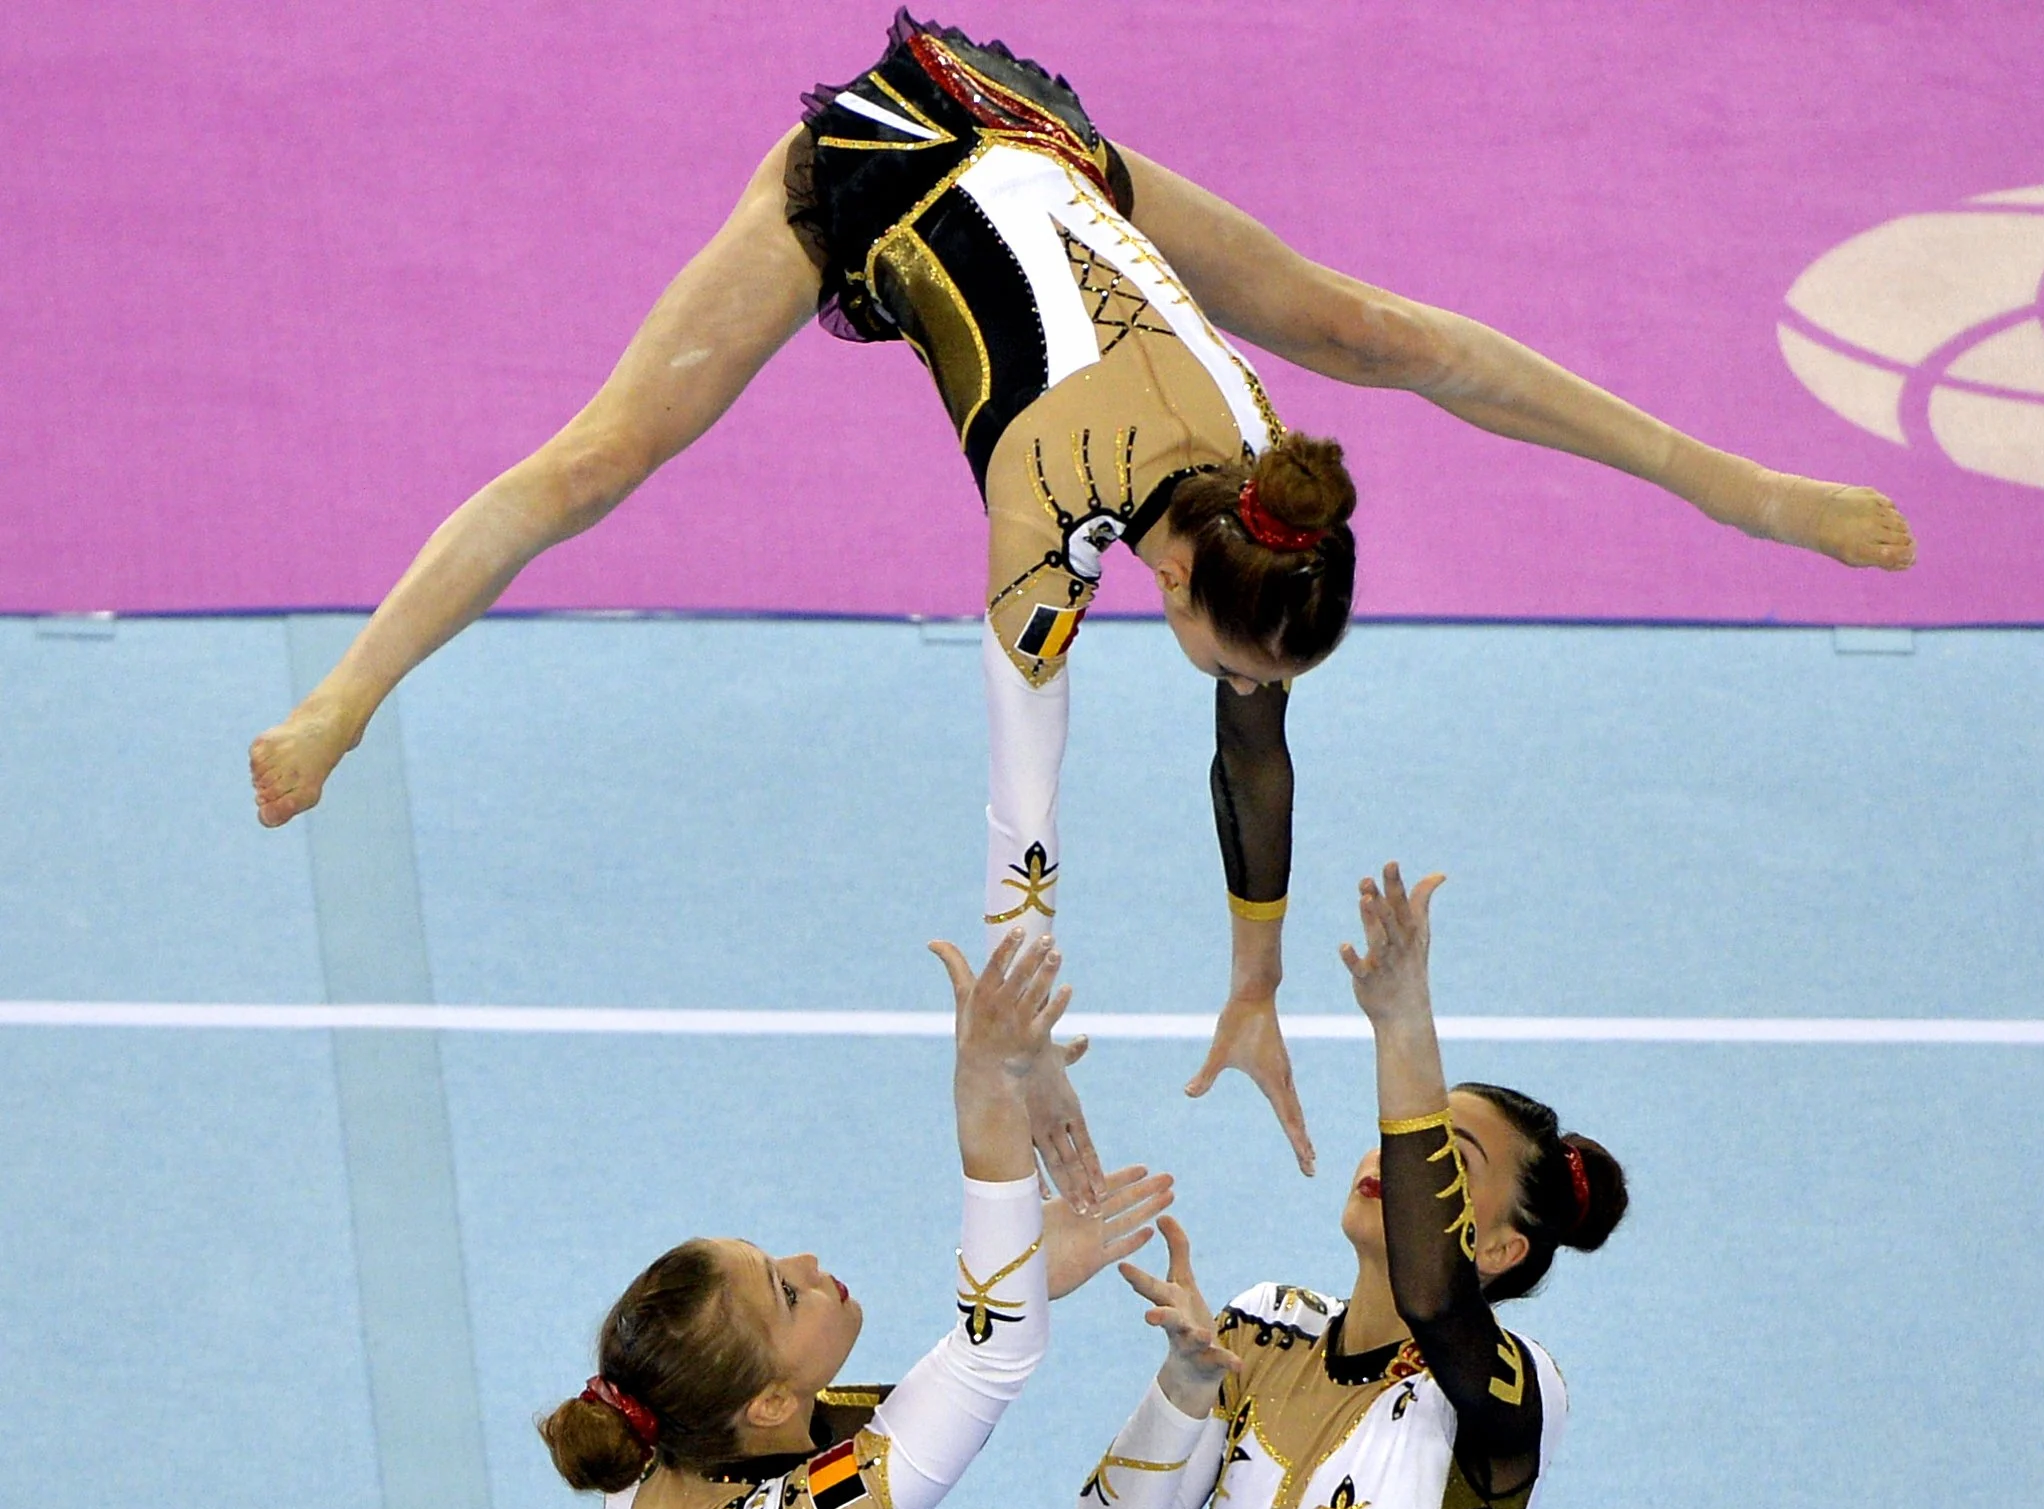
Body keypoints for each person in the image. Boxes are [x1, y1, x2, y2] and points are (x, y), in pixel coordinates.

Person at [249, 13, 1914, 1183]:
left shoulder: (1264, 484)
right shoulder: (1046, 495)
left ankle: (1731, 482)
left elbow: (1251, 739)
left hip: (1041, 144)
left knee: (1375, 332)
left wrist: (1254, 979)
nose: (1224, 675)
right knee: (599, 461)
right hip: (894, 167)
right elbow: (1017, 784)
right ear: (1177, 575)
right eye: (1218, 651)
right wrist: (1022, 1019)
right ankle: (343, 693)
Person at [541, 927, 1176, 1509]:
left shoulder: (674, 1435)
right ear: (768, 1405)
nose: (808, 1263)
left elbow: (947, 1395)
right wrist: (988, 1085)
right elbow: (988, 1359)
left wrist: (1018, 1277)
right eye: (787, 1295)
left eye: (774, 1262)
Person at [1071, 863, 1627, 1509]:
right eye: (1401, 1142)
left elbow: (1435, 1297)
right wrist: (1182, 1390)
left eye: (1442, 1161)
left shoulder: (1513, 1391)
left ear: (1500, 1246)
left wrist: (1401, 1026)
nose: (1395, 1161)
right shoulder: (1263, 1327)